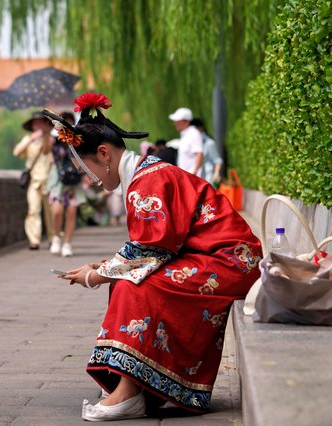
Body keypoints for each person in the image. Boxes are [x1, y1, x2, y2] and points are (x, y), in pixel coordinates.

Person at [44, 93, 262, 421]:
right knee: (126, 284)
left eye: (85, 169)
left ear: (103, 154)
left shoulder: (148, 181)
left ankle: (130, 390)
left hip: (229, 261)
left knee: (135, 287)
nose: (89, 180)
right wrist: (104, 268)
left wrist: (97, 273)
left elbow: (151, 249)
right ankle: (136, 385)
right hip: (213, 257)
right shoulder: (144, 176)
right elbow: (152, 246)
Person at [13, 112, 54, 250]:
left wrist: (47, 137)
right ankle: (34, 239)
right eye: (35, 123)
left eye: (41, 122)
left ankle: (53, 237)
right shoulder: (28, 139)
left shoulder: (51, 139)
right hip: (34, 181)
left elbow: (49, 153)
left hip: (49, 180)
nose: (38, 125)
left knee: (50, 212)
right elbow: (17, 152)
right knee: (33, 210)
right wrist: (31, 139)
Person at [48, 111, 86, 257]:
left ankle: (67, 243)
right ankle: (57, 236)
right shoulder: (53, 138)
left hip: (74, 180)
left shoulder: (77, 140)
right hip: (58, 179)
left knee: (71, 212)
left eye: (68, 122)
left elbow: (83, 158)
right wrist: (47, 137)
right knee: (57, 211)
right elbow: (46, 152)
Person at [169, 107, 203, 176]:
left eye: (178, 121)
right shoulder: (185, 134)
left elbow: (199, 154)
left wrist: (194, 172)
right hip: (186, 176)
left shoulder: (193, 133)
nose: (175, 123)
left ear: (186, 121)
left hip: (192, 177)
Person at [191, 117, 223, 188]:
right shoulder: (190, 143)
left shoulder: (209, 143)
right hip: (193, 179)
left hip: (207, 179)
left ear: (200, 128)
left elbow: (217, 160)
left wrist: (216, 173)